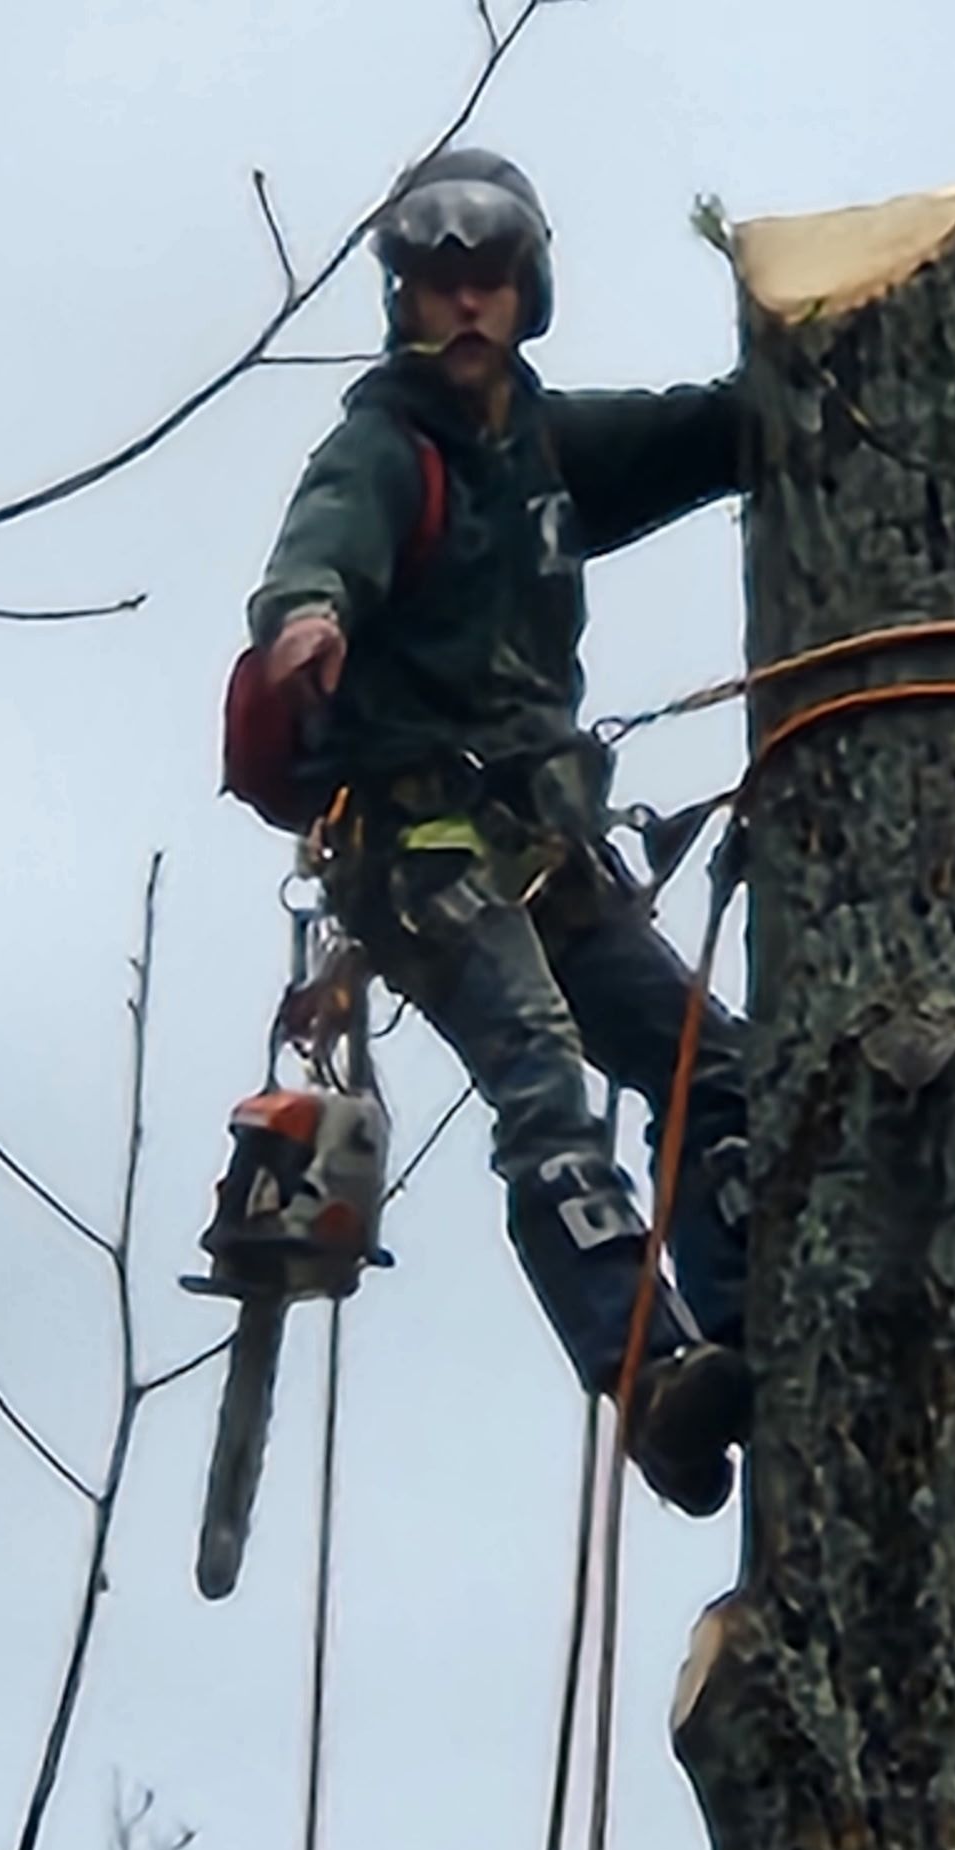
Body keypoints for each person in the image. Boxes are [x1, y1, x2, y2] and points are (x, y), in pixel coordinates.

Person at [246, 149, 751, 1515]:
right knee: (541, 1079)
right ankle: (648, 1371)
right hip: (423, 853)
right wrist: (310, 620)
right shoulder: (380, 447)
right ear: (403, 304)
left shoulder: (543, 447)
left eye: (489, 282)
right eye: (437, 285)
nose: (464, 308)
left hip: (545, 849)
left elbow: (696, 433)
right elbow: (319, 550)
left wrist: (806, 387)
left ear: (530, 294)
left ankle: (747, 1324)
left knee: (718, 1070)